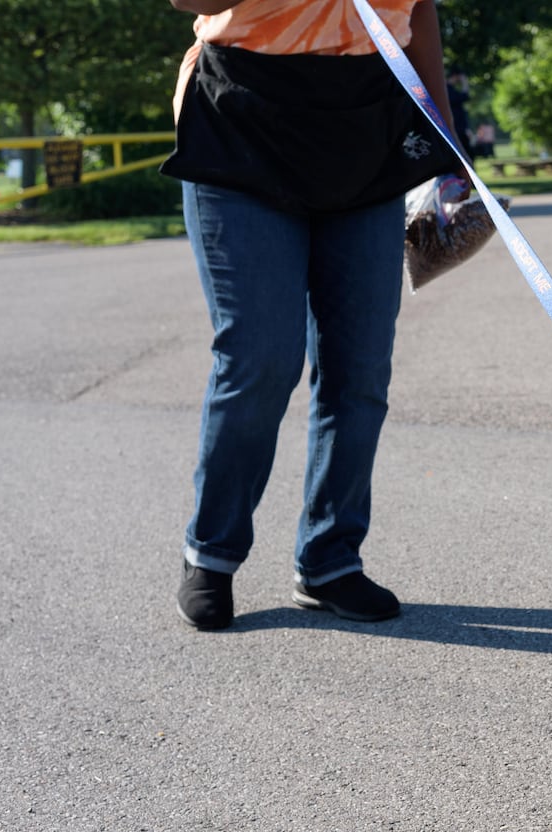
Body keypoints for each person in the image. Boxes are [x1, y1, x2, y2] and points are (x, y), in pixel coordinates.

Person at [163, 0, 461, 630]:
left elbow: (421, 9)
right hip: (241, 122)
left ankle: (329, 560)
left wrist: (444, 127)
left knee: (358, 370)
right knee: (260, 358)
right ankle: (211, 554)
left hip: (365, 131)